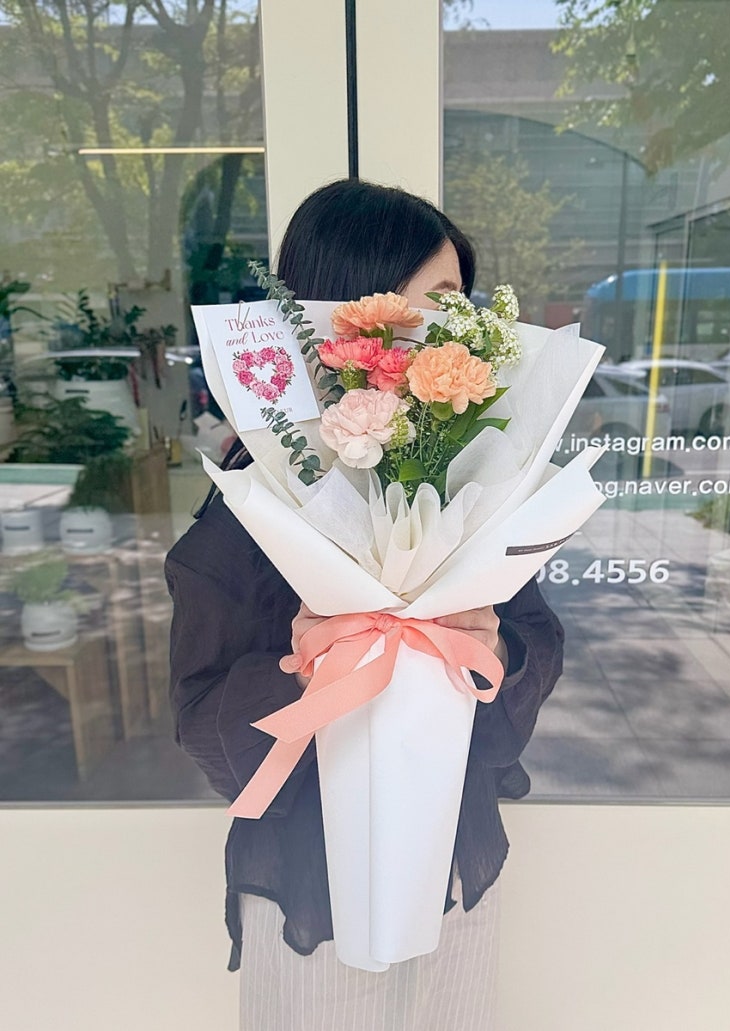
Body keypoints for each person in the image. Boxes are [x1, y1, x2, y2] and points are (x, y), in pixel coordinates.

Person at [165, 179, 565, 1031]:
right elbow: (202, 721)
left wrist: (489, 648)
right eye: (431, 303)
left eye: (457, 306)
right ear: (343, 316)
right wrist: (304, 669)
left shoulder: (470, 486)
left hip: (452, 858)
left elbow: (532, 645)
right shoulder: (259, 500)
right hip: (305, 883)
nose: (448, 330)